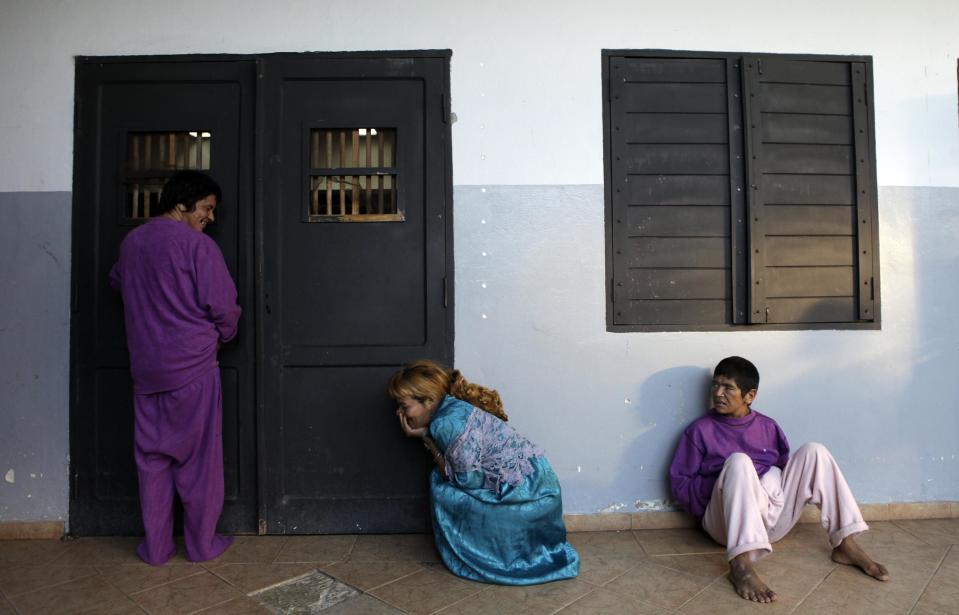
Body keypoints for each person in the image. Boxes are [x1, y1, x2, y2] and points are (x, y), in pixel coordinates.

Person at [669, 356, 889, 603]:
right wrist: (728, 486)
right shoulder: (700, 430)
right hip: (726, 525)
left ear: (749, 396)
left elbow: (786, 470)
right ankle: (741, 564)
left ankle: (845, 544)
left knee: (815, 451)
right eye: (715, 385)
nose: (718, 393)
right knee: (740, 462)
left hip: (771, 521)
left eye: (728, 387)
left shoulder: (768, 427)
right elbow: (681, 484)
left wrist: (765, 486)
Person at [110, 170, 241, 566]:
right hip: (192, 368)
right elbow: (224, 306)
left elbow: (117, 282)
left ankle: (157, 548)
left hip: (146, 370)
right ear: (182, 203)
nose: (210, 218)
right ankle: (202, 545)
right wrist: (223, 334)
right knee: (199, 462)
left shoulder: (132, 242)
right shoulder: (197, 247)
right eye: (206, 208)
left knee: (152, 461)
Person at [388, 360, 580, 585]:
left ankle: (479, 554)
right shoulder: (453, 406)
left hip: (528, 491)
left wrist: (425, 437)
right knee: (441, 477)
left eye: (404, 405)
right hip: (539, 480)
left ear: (428, 401)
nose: (398, 412)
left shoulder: (444, 424)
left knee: (442, 486)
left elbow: (466, 481)